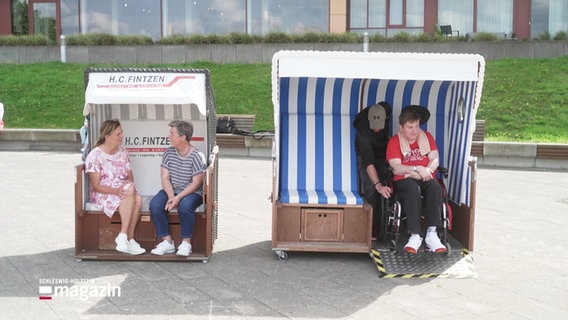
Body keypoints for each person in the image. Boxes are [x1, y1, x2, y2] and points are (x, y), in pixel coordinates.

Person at [386, 105, 446, 254]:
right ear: (401, 128)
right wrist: (416, 168)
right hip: (404, 179)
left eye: (417, 126)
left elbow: (435, 159)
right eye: (410, 127)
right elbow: (396, 168)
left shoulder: (427, 137)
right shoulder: (394, 141)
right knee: (412, 189)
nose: (414, 131)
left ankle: (432, 234)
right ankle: (415, 235)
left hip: (425, 175)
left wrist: (427, 170)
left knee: (435, 188)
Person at [84, 119, 145, 255]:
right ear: (107, 137)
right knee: (131, 193)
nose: (122, 136)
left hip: (123, 191)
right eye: (118, 134)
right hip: (104, 193)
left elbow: (130, 178)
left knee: (137, 198)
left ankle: (127, 239)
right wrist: (117, 190)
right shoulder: (94, 156)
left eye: (121, 133)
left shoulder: (123, 153)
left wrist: (125, 184)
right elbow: (96, 186)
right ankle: (126, 237)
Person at [149, 120, 207, 256]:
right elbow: (164, 177)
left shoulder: (197, 156)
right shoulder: (169, 153)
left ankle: (186, 243)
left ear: (183, 137)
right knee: (155, 205)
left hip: (192, 192)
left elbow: (196, 183)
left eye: (172, 133)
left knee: (185, 207)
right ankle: (167, 242)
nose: (169, 136)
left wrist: (178, 197)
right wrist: (171, 197)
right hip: (172, 190)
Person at [353, 102, 393, 239]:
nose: (377, 130)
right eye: (374, 128)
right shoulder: (363, 132)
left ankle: (384, 223)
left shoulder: (385, 109)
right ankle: (371, 228)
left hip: (381, 149)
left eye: (380, 127)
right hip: (366, 153)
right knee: (371, 187)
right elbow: (369, 163)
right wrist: (378, 185)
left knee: (386, 180)